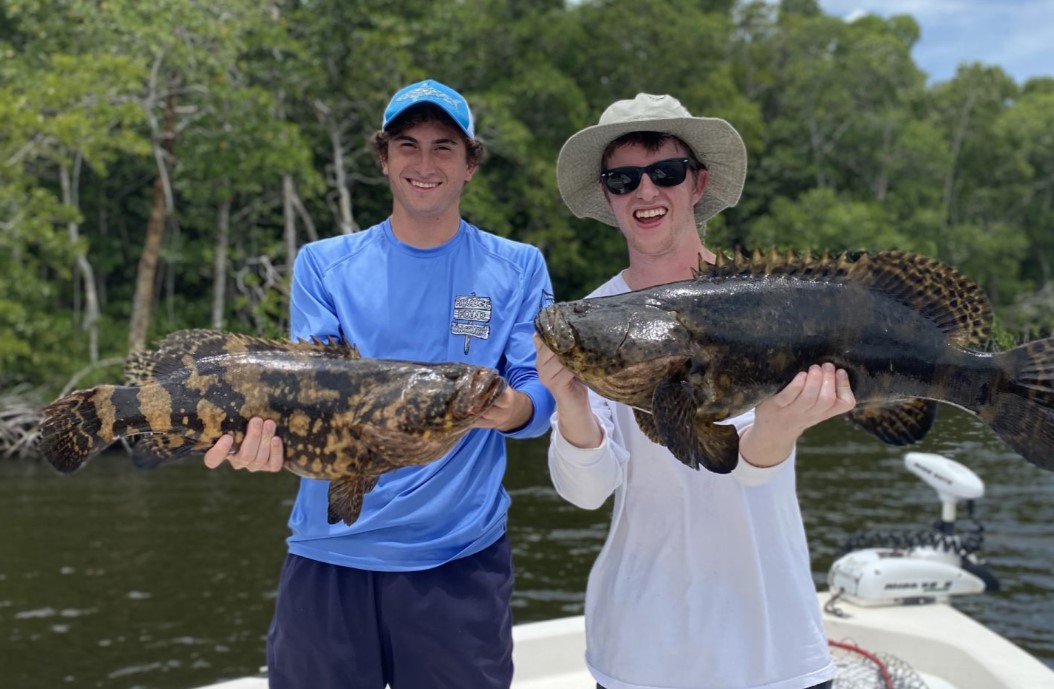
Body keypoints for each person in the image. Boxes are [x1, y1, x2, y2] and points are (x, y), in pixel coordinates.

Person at [203, 79, 556, 689]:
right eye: (408, 145)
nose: (425, 164)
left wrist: (514, 408)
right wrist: (264, 444)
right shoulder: (324, 263)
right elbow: (306, 393)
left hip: (459, 559)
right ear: (383, 158)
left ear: (470, 164)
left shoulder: (518, 265)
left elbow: (540, 393)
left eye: (445, 147)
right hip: (329, 552)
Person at [533, 93, 856, 689]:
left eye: (666, 173)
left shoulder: (764, 298)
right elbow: (587, 491)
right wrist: (572, 402)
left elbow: (749, 471)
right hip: (641, 652)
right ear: (607, 194)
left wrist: (782, 427)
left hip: (773, 650)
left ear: (697, 182)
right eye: (624, 178)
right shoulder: (595, 321)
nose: (646, 192)